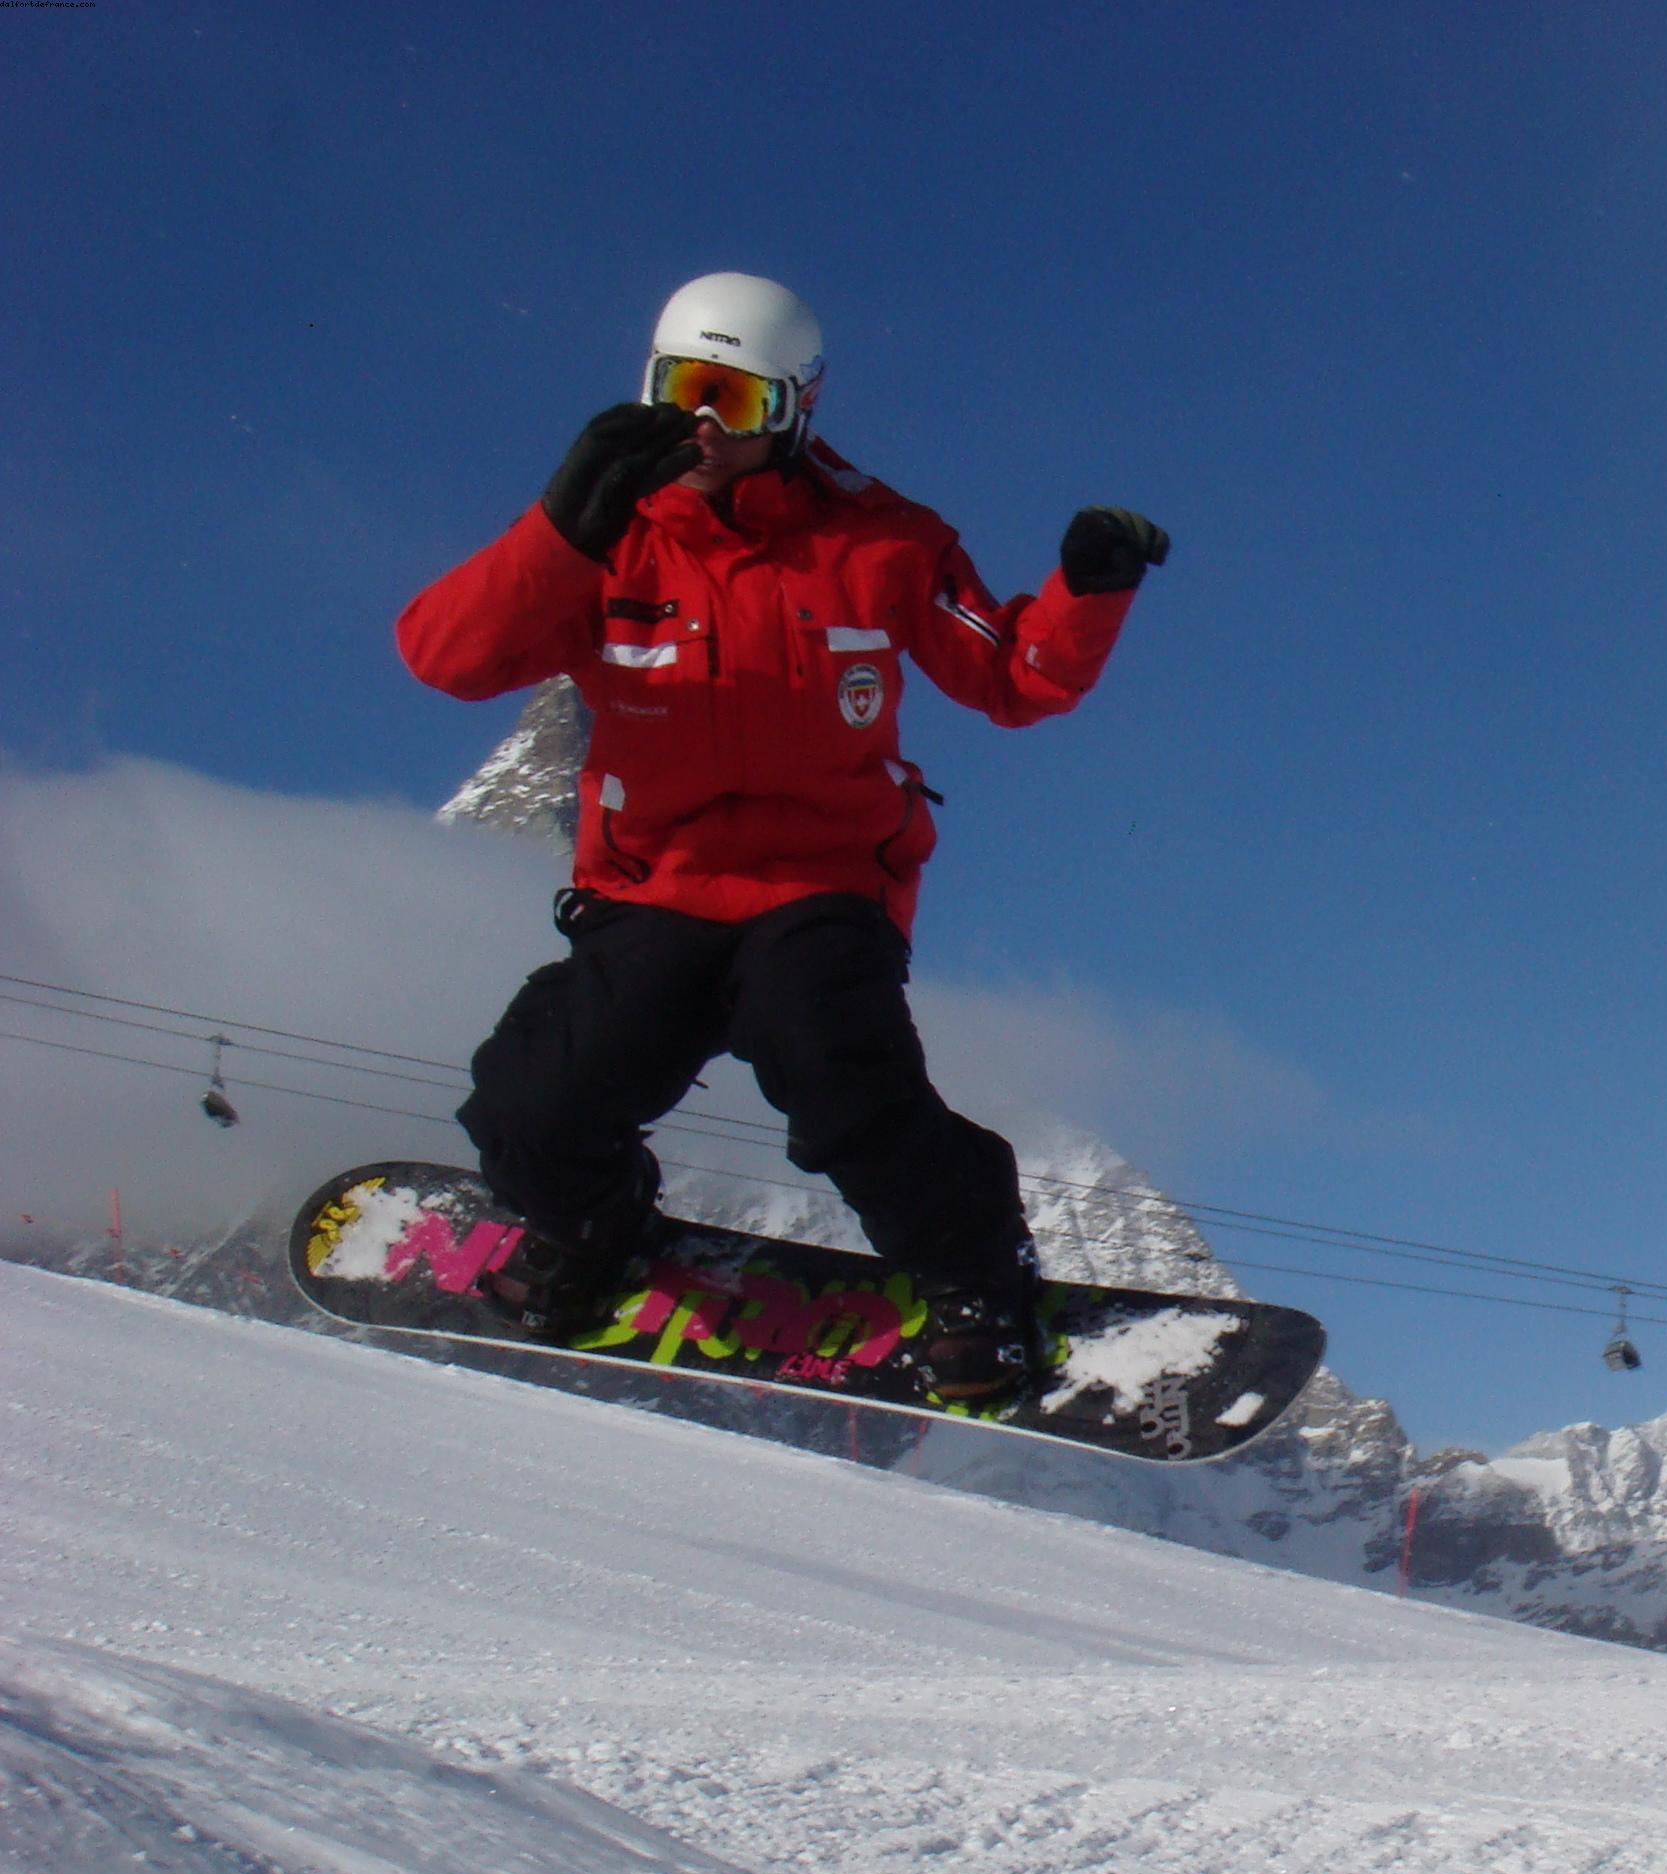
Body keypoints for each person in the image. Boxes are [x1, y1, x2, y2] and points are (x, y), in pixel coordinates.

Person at [397, 272, 1167, 1404]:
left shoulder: (882, 539)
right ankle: (594, 1221)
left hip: (821, 881)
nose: (704, 422)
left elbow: (1010, 674)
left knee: (838, 1074)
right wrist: (560, 528)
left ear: (797, 406)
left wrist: (1086, 593)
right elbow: (446, 658)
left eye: (736, 397)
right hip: (656, 884)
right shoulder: (606, 540)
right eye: (681, 388)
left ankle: (973, 1280)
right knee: (534, 1104)